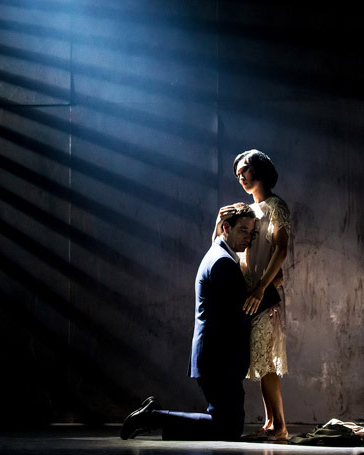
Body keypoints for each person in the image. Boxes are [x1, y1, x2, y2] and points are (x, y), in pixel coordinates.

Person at [120, 204, 256, 441]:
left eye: (251, 232)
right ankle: (153, 416)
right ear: (226, 228)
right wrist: (270, 290)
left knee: (228, 427)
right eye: (243, 230)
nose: (249, 237)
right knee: (227, 428)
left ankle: (157, 418)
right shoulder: (222, 262)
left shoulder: (218, 253)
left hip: (215, 358)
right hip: (218, 360)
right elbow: (241, 310)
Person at [213, 149, 291, 441]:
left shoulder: (276, 206)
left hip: (263, 294)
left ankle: (281, 426)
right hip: (248, 293)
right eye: (237, 174)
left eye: (244, 170)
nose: (240, 177)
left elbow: (281, 249)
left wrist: (261, 287)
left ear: (258, 169)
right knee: (259, 361)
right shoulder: (249, 209)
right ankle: (271, 422)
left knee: (267, 363)